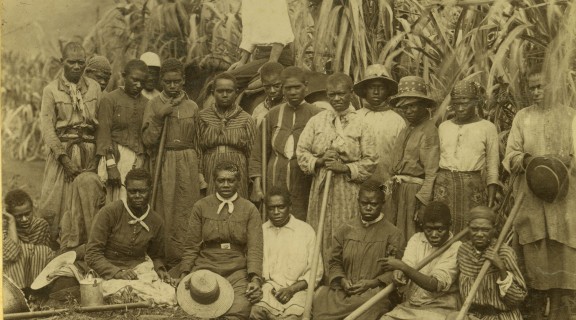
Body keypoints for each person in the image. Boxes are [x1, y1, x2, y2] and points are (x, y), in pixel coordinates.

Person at [503, 68, 576, 319]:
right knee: (535, 262)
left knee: (564, 263)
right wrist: (528, 161)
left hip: (564, 203)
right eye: (532, 87)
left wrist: (560, 162)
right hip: (531, 201)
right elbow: (510, 156)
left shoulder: (570, 117)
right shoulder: (523, 118)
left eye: (541, 86)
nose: (536, 92)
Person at [297, 72, 379, 265]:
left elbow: (371, 160)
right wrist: (319, 161)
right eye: (332, 94)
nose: (337, 99)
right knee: (320, 231)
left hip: (348, 190)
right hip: (321, 188)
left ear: (351, 93)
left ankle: (342, 277)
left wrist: (344, 168)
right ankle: (318, 278)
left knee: (346, 231)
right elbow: (301, 152)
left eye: (341, 94)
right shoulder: (317, 121)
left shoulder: (362, 124)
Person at [174, 161, 264, 320]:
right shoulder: (201, 206)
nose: (226, 185)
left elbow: (255, 248)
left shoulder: (249, 209)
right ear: (214, 182)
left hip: (237, 269)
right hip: (206, 266)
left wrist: (255, 278)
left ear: (238, 182)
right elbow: (191, 245)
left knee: (240, 307)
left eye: (231, 180)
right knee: (195, 308)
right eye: (221, 180)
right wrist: (185, 272)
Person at [142, 58, 206, 267]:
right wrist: (160, 117)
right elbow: (148, 141)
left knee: (187, 208)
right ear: (161, 81)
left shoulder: (192, 106)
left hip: (188, 160)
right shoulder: (153, 105)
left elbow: (199, 141)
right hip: (165, 160)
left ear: (183, 81)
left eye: (176, 82)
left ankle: (187, 258)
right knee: (165, 208)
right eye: (168, 82)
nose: (172, 86)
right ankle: (164, 258)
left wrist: (200, 171)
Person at [312, 179, 404, 320]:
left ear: (382, 204)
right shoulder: (345, 229)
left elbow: (395, 270)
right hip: (344, 291)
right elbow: (335, 262)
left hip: (373, 293)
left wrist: (372, 283)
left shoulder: (393, 233)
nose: (368, 207)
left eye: (373, 204)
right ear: (358, 201)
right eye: (364, 203)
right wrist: (342, 280)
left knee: (370, 307)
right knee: (320, 300)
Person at [39, 41, 102, 245]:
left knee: (87, 200)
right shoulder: (51, 90)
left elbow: (101, 125)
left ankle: (83, 248)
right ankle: (55, 247)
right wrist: (63, 158)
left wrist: (98, 156)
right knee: (56, 203)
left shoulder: (94, 88)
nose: (76, 67)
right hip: (63, 153)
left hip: (89, 153)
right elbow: (47, 127)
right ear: (61, 62)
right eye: (71, 62)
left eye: (81, 62)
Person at [85, 168, 176, 305]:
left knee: (168, 294)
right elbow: (92, 253)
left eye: (142, 191)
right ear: (126, 190)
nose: (137, 196)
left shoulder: (156, 221)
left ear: (150, 190)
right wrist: (117, 272)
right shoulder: (110, 213)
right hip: (108, 269)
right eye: (132, 191)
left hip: (139, 270)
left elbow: (156, 255)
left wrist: (160, 269)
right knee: (118, 291)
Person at [249, 66, 322, 219]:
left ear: (306, 87)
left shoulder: (317, 115)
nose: (293, 92)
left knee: (303, 219)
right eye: (288, 88)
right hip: (275, 178)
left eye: (297, 87)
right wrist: (257, 185)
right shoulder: (272, 115)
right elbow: (258, 153)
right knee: (276, 219)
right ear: (283, 89)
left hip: (304, 180)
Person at [434, 79, 499, 233]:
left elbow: (492, 165)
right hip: (444, 187)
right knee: (443, 228)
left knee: (472, 231)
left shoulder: (487, 128)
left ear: (476, 102)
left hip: (473, 189)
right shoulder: (444, 127)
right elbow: (434, 162)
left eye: (465, 102)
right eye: (456, 103)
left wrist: (491, 196)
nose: (461, 108)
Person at [250, 186, 323, 320]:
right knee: (256, 312)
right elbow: (255, 265)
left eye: (281, 207)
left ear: (290, 207)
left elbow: (316, 272)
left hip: (299, 290)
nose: (276, 212)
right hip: (270, 288)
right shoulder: (262, 231)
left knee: (293, 317)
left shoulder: (305, 231)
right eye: (271, 208)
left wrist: (291, 290)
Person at [380, 201, 461, 320]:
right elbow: (408, 265)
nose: (434, 234)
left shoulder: (456, 247)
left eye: (440, 229)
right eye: (429, 229)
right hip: (412, 305)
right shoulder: (417, 239)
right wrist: (399, 274)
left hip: (441, 307)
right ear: (423, 226)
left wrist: (403, 267)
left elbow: (434, 285)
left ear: (450, 225)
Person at [388, 76, 440, 244]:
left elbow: (431, 172)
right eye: (404, 107)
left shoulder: (429, 130)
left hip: (413, 193)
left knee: (410, 235)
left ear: (423, 105)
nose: (408, 111)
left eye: (413, 106)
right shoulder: (406, 129)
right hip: (398, 189)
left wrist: (423, 202)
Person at [451, 206, 527, 320]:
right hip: (473, 315)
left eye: (485, 230)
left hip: (501, 316)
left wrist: (501, 268)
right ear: (468, 228)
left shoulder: (505, 253)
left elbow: (517, 299)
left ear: (494, 229)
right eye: (474, 229)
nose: (480, 234)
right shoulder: (463, 251)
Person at [95, 59, 149, 202]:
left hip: (138, 160)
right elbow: (104, 134)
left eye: (142, 82)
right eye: (134, 80)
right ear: (124, 76)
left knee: (135, 201)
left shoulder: (147, 104)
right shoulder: (110, 99)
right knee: (115, 201)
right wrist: (111, 166)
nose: (139, 85)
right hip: (116, 158)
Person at [196, 73, 257, 198]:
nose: (224, 95)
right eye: (220, 91)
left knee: (237, 208)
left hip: (238, 167)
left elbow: (252, 153)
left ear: (236, 92)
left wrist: (253, 181)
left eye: (229, 91)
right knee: (212, 207)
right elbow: (197, 150)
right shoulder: (202, 117)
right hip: (210, 167)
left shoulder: (246, 119)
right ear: (213, 93)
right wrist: (199, 174)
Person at [353, 64, 406, 183]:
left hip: (386, 182)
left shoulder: (397, 121)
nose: (376, 92)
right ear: (365, 90)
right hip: (357, 182)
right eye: (372, 87)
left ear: (387, 91)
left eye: (381, 88)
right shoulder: (355, 117)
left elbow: (401, 156)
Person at [3, 189, 54, 289]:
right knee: (21, 252)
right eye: (18, 216)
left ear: (33, 209)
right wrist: (12, 222)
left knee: (42, 251)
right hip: (11, 278)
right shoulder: (5, 228)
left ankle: (37, 292)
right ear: (9, 215)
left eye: (27, 214)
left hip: (34, 278)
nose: (24, 219)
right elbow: (12, 254)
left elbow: (42, 256)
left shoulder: (40, 225)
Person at [228, 0, 295, 72]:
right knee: (229, 76)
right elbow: (249, 33)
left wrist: (272, 61)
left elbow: (281, 34)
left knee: (233, 77)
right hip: (260, 56)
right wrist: (242, 62)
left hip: (279, 57)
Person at [252, 62, 285, 127]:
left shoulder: (292, 107)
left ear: (284, 82)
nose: (272, 91)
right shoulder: (258, 110)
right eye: (267, 87)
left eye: (277, 86)